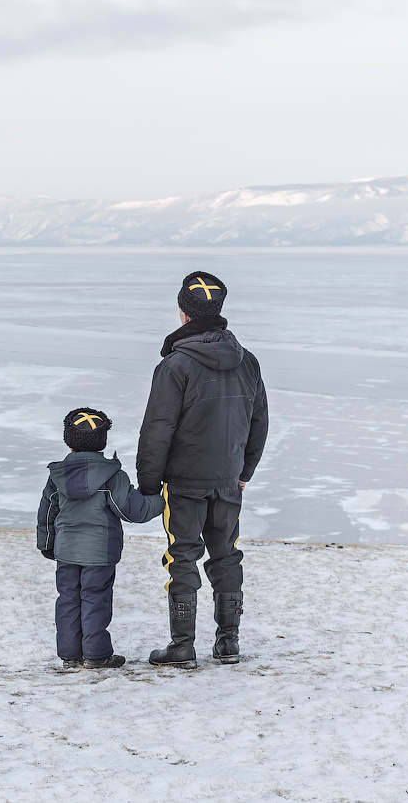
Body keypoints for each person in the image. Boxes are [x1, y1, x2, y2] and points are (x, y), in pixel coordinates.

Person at [137, 271, 268, 668]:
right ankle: (228, 643)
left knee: (182, 557)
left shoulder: (175, 365)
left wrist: (147, 482)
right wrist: (245, 471)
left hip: (184, 482)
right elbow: (258, 421)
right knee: (226, 556)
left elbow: (158, 429)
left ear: (183, 313)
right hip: (228, 479)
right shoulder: (248, 362)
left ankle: (182, 645)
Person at [37, 407, 166, 669]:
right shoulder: (112, 476)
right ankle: (96, 656)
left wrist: (47, 544)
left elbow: (47, 513)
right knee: (96, 599)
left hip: (67, 551)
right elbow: (134, 510)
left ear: (68, 440)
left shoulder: (57, 476)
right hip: (100, 552)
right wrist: (161, 499)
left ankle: (71, 656)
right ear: (103, 440)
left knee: (68, 600)